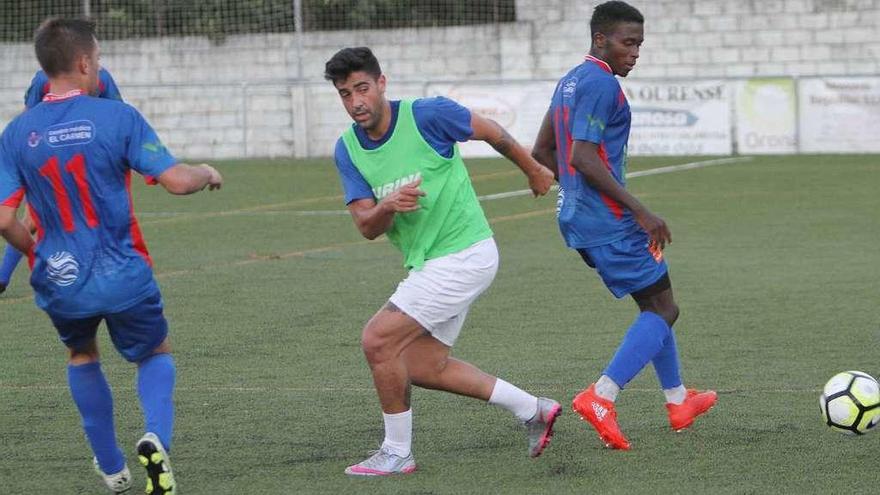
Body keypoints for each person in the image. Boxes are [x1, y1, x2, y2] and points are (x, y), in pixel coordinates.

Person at [0, 18, 222, 493]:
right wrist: (205, 171)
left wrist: (37, 254)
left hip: (61, 278)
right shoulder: (118, 117)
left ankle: (112, 469)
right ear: (84, 62)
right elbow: (178, 182)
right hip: (122, 270)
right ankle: (155, 438)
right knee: (154, 353)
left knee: (81, 354)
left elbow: (4, 221)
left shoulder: (15, 134)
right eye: (98, 58)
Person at [325, 46, 559, 476]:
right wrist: (388, 206)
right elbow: (365, 225)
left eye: (362, 88)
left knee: (378, 340)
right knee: (422, 366)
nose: (356, 101)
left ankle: (397, 452)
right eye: (345, 94)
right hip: (432, 263)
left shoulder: (427, 115)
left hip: (463, 253)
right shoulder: (348, 150)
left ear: (381, 83)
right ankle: (534, 410)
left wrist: (532, 169)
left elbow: (490, 131)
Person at [530, 1, 716, 451]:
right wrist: (639, 210)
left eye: (639, 44)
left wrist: (574, 194)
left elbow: (543, 152)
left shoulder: (571, 80)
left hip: (581, 219)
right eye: (627, 43)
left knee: (655, 302)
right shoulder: (599, 83)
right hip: (610, 223)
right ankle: (601, 395)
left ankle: (677, 401)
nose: (635, 52)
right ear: (600, 39)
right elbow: (581, 156)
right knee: (663, 309)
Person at [0, 66, 122, 294]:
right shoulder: (43, 79)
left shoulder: (101, 78)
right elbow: (29, 119)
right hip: (49, 159)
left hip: (87, 160)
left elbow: (117, 116)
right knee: (33, 218)